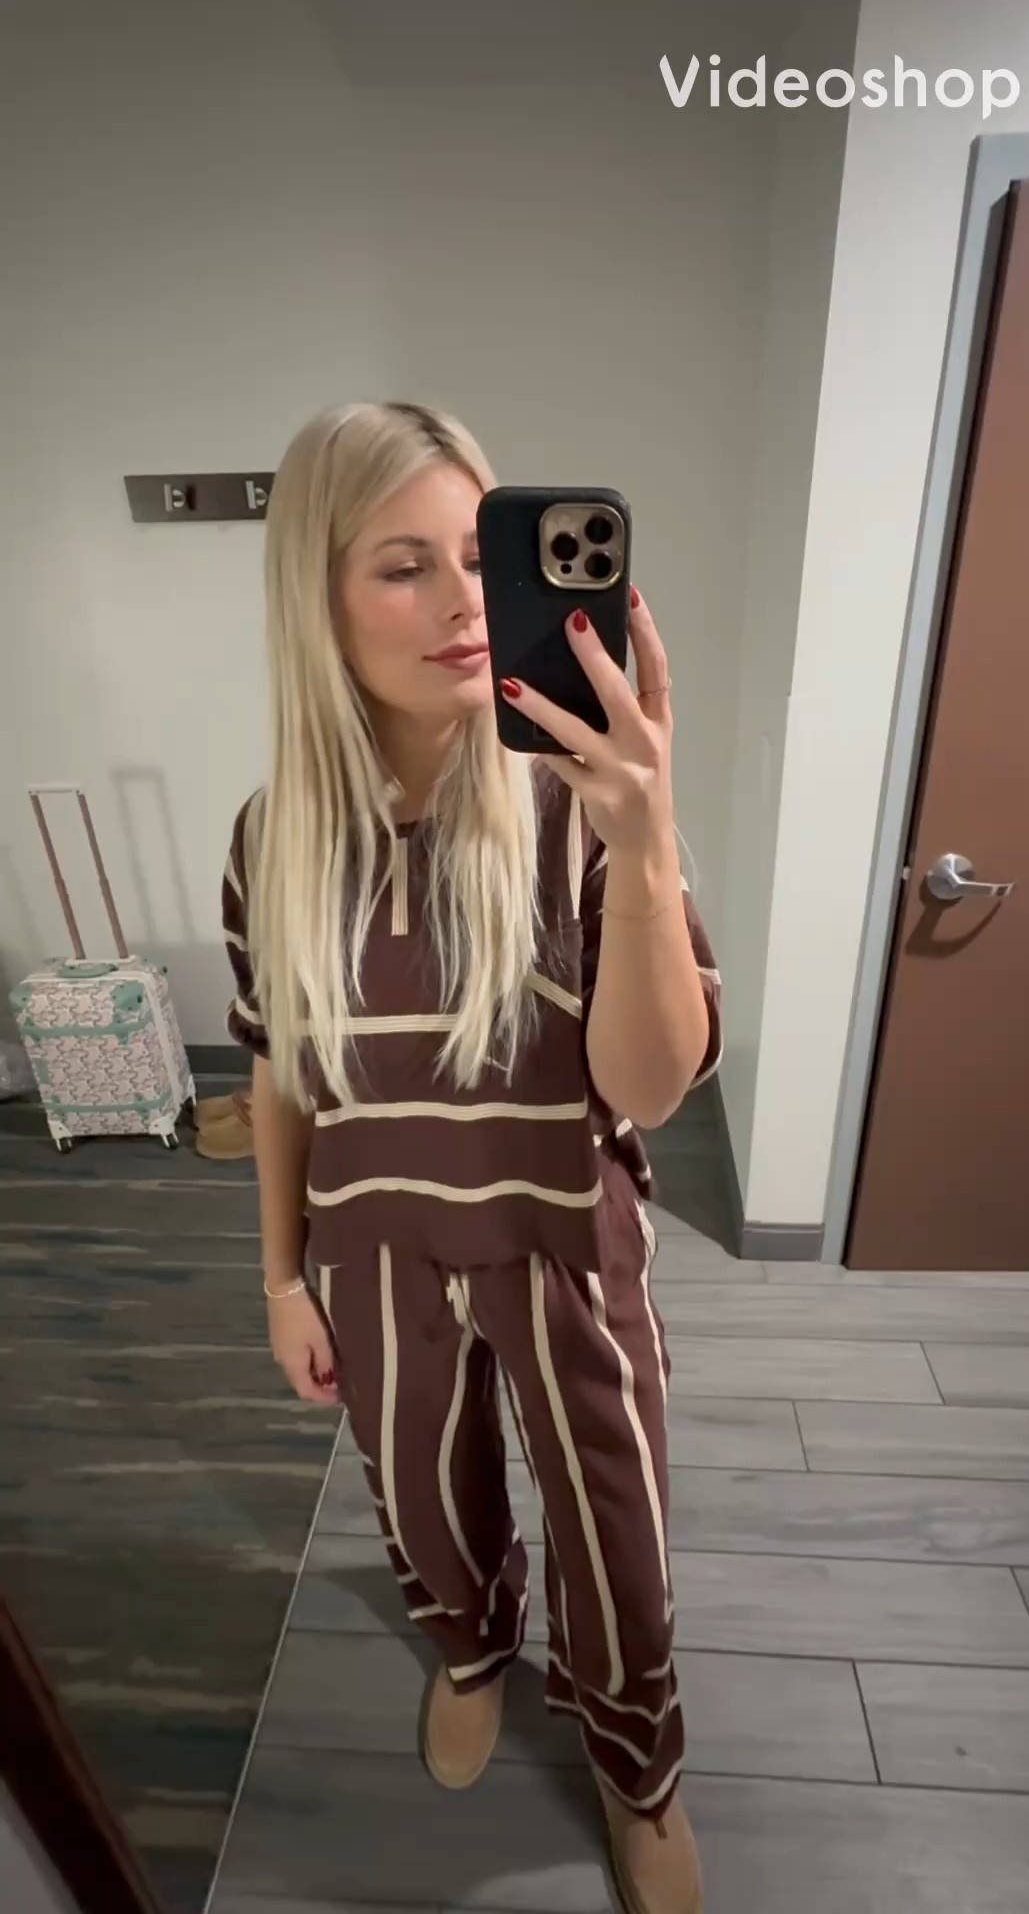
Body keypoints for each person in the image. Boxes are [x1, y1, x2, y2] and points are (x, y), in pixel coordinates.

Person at [221, 400, 721, 1914]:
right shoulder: (273, 838)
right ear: (317, 600)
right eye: (403, 565)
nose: (464, 602)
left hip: (563, 1237)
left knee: (616, 1530)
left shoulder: (580, 808)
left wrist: (646, 845)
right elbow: (279, 1070)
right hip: (373, 1246)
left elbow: (650, 1087)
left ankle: (637, 1765)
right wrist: (281, 1279)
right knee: (426, 1504)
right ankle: (471, 1648)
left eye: (478, 555)